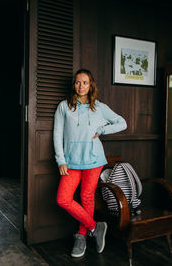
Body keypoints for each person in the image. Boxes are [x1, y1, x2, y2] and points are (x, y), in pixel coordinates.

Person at [53, 68, 127, 258]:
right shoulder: (64, 106)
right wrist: (60, 159)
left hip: (94, 159)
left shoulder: (99, 107)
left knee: (87, 197)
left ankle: (81, 236)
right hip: (71, 161)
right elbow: (57, 134)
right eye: (78, 82)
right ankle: (95, 227)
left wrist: (102, 130)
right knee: (63, 199)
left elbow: (122, 123)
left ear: (90, 85)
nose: (81, 86)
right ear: (73, 85)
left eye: (85, 82)